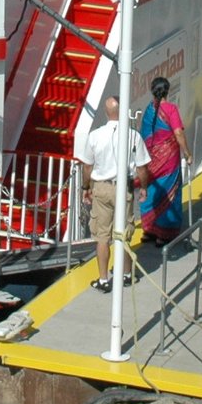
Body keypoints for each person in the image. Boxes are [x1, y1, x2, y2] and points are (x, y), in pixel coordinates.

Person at [77, 96, 150, 292]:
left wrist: (86, 188)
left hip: (101, 187)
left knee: (102, 236)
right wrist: (143, 187)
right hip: (123, 187)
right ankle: (126, 275)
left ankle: (103, 279)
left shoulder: (95, 135)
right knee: (123, 234)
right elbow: (142, 167)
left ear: (106, 112)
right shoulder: (133, 136)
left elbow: (87, 166)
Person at [139, 77, 191, 246]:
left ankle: (149, 230)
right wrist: (188, 153)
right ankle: (164, 234)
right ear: (167, 91)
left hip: (150, 159)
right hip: (169, 160)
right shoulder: (170, 109)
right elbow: (178, 134)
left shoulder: (149, 109)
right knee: (169, 193)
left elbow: (145, 133)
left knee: (152, 191)